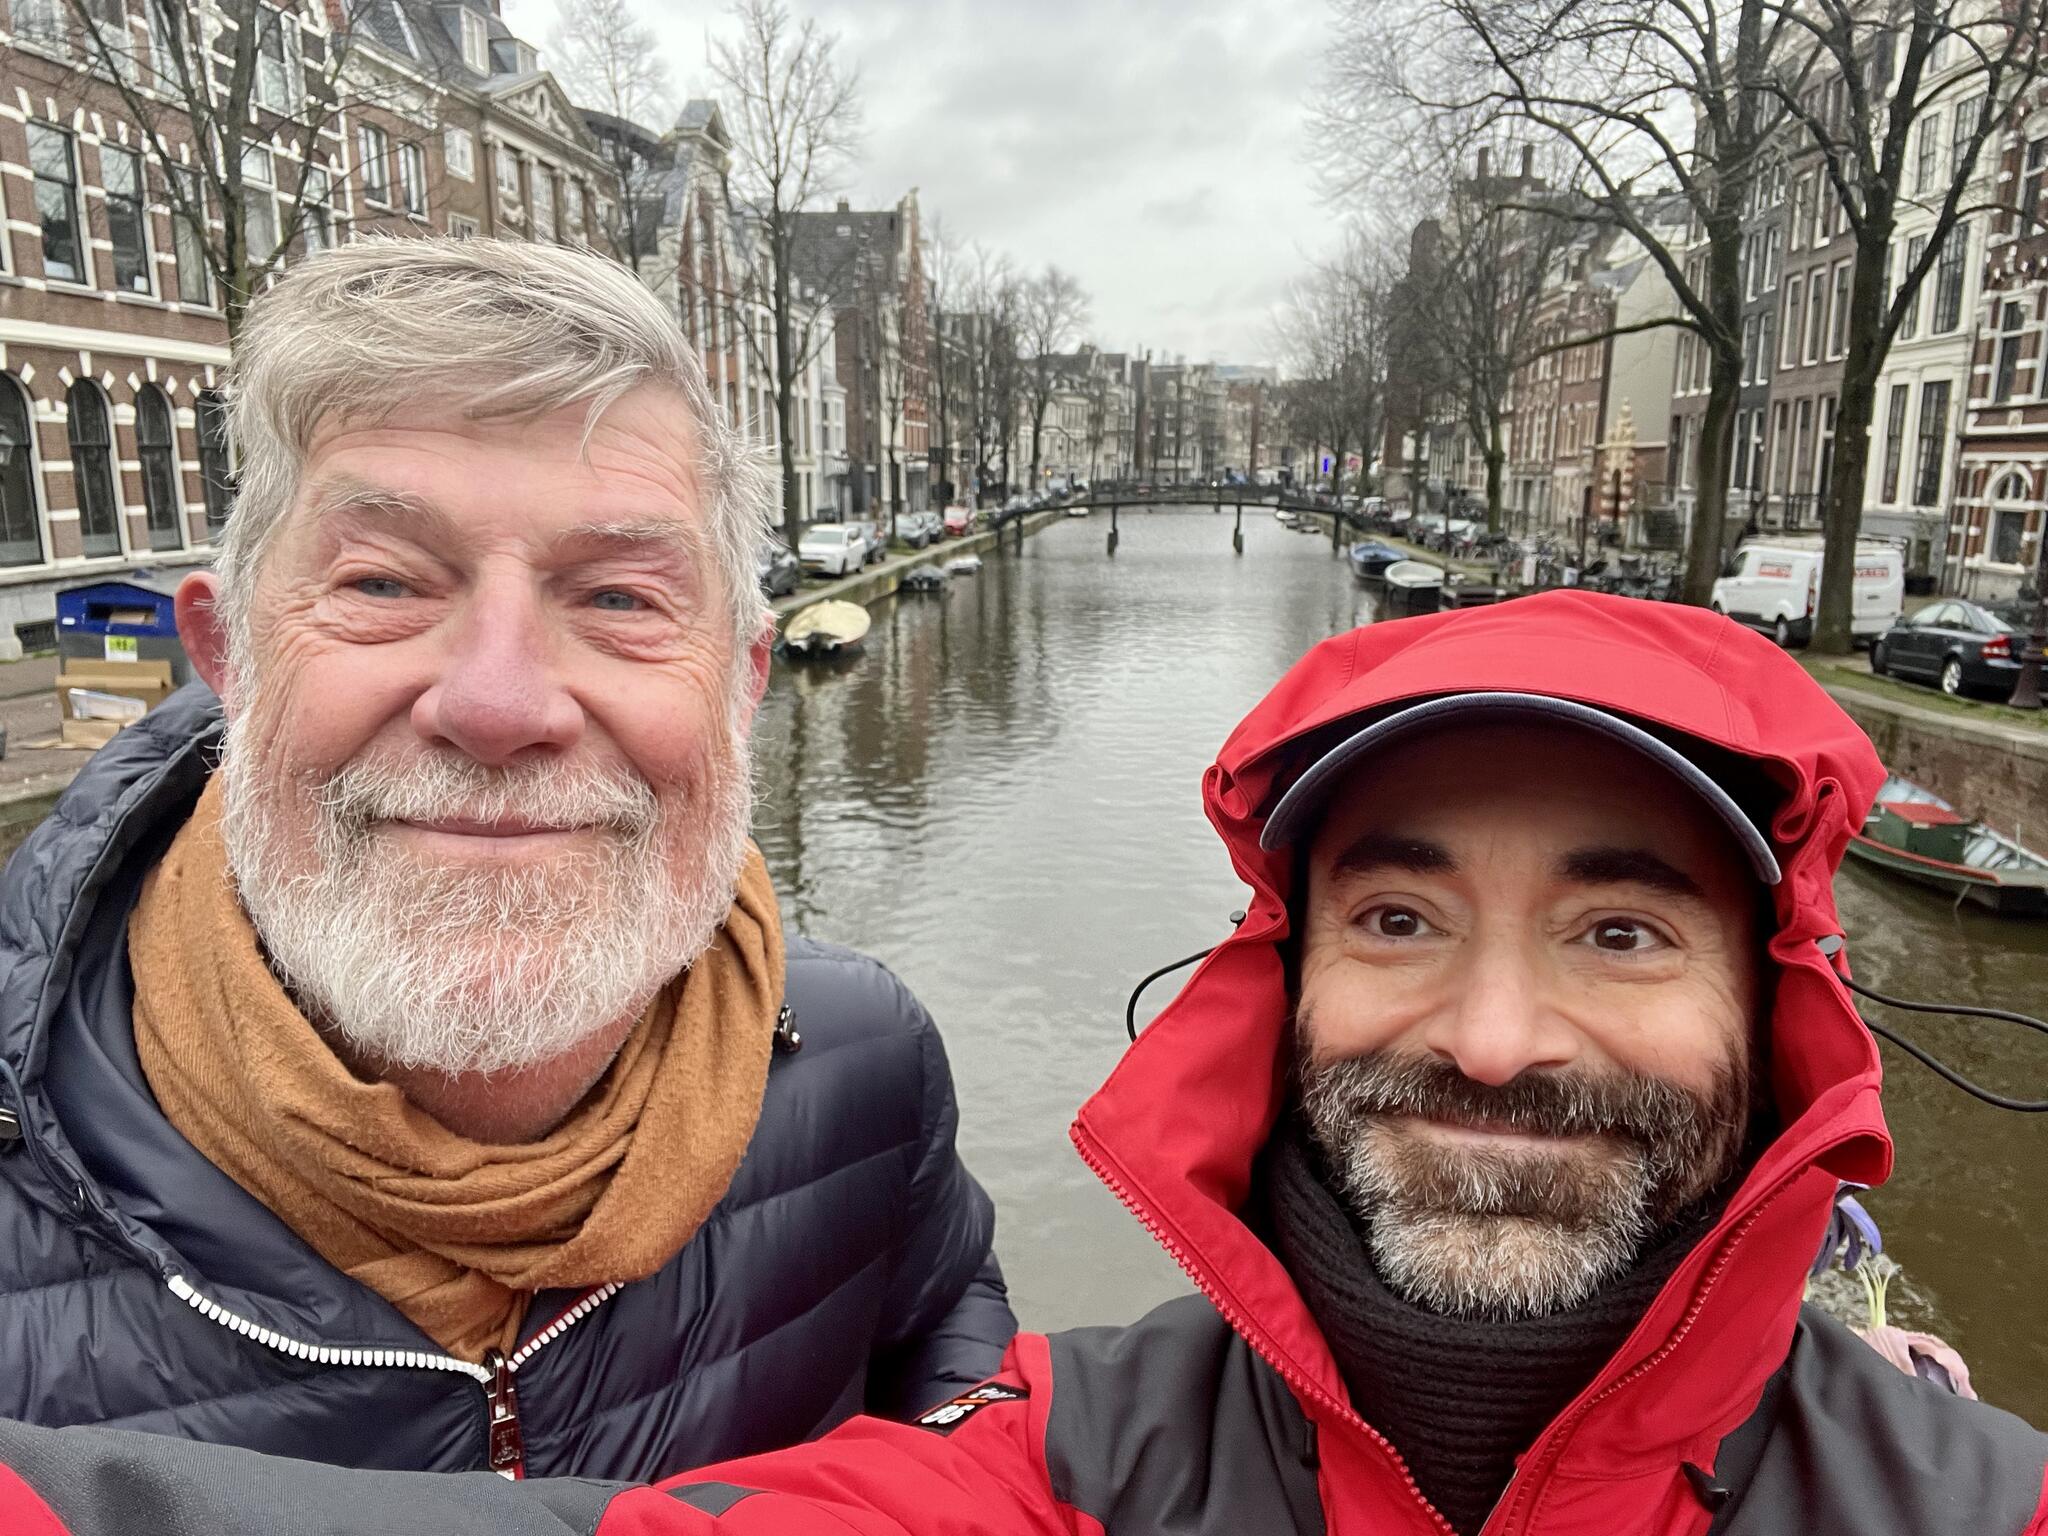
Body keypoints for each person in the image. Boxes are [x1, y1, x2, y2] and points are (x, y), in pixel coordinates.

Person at [7, 590, 2048, 1534]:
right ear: (1280, 991)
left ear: (1771, 1015)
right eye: (1397, 921)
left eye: (1617, 933)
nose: (1492, 1040)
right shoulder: (1066, 1471)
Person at [0, 238, 1011, 1481]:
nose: (497, 703)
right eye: (383, 582)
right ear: (227, 659)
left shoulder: (866, 1071)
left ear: (741, 685)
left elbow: (956, 1386)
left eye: (621, 599)